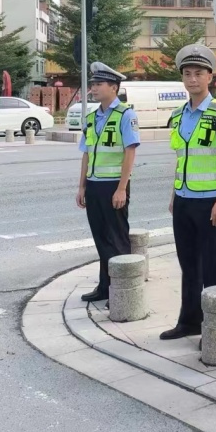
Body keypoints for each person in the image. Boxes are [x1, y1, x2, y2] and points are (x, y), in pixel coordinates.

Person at [160, 44, 216, 343]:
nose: (192, 79)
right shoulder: (179, 114)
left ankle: (215, 327)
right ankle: (189, 321)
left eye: (198, 74)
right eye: (187, 74)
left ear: (210, 77)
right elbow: (182, 157)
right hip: (183, 200)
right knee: (188, 264)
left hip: (210, 202)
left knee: (212, 266)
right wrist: (173, 195)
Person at [76, 62, 140, 302]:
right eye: (92, 84)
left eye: (99, 84)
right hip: (94, 185)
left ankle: (124, 290)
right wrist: (81, 186)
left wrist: (122, 188)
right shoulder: (92, 117)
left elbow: (130, 152)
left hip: (114, 185)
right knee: (101, 238)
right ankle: (105, 287)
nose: (93, 88)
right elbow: (86, 153)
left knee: (118, 238)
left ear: (113, 87)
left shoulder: (126, 115)